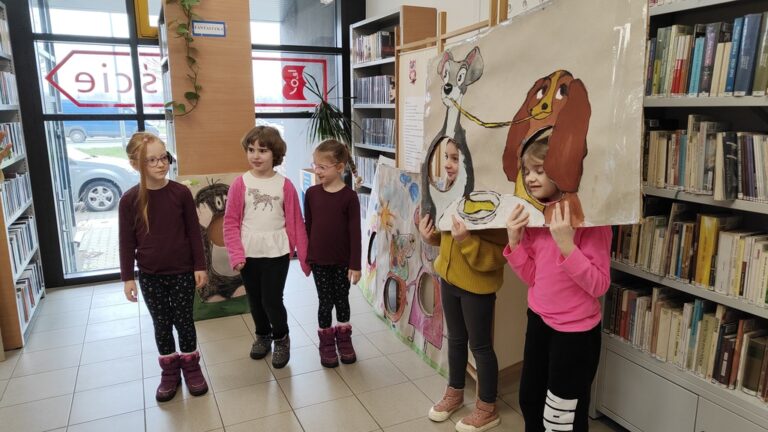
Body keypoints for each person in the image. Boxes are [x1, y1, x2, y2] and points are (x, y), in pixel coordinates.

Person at [504, 133, 612, 432]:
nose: (531, 178)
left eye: (539, 170)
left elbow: (600, 285)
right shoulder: (536, 216)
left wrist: (568, 246)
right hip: (539, 321)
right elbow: (532, 278)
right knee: (530, 399)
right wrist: (514, 243)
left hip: (575, 333)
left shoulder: (592, 221)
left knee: (561, 416)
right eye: (527, 172)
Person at [419, 143, 508, 432]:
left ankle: (486, 407)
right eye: (446, 157)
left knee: (480, 346)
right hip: (449, 279)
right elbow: (446, 239)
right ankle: (454, 392)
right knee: (455, 338)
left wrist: (466, 241)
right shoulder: (450, 192)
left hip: (477, 287)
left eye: (455, 159)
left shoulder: (491, 201)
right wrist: (431, 236)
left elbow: (497, 256)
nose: (447, 164)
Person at [119, 132, 209, 402]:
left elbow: (194, 233)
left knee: (184, 320)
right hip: (150, 276)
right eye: (151, 160)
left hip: (182, 272)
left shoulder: (180, 193)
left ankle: (191, 367)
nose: (160, 164)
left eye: (163, 158)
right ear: (136, 165)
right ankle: (169, 372)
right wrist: (127, 278)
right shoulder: (129, 200)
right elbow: (126, 242)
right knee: (162, 323)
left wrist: (199, 265)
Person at [223, 125, 310, 369]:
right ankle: (263, 335)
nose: (256, 155)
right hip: (248, 252)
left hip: (277, 251)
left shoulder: (285, 185)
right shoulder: (240, 184)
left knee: (272, 299)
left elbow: (296, 222)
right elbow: (230, 222)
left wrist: (303, 257)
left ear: (275, 154)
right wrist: (236, 254)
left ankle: (281, 338)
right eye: (251, 150)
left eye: (262, 150)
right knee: (255, 299)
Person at [304, 139, 362, 368]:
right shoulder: (311, 193)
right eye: (315, 165)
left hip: (342, 261)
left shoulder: (350, 197)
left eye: (322, 167)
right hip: (319, 260)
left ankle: (344, 339)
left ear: (339, 167)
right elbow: (309, 226)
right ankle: (326, 342)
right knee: (324, 301)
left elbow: (355, 233)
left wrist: (355, 265)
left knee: (342, 300)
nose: (317, 171)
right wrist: (308, 257)